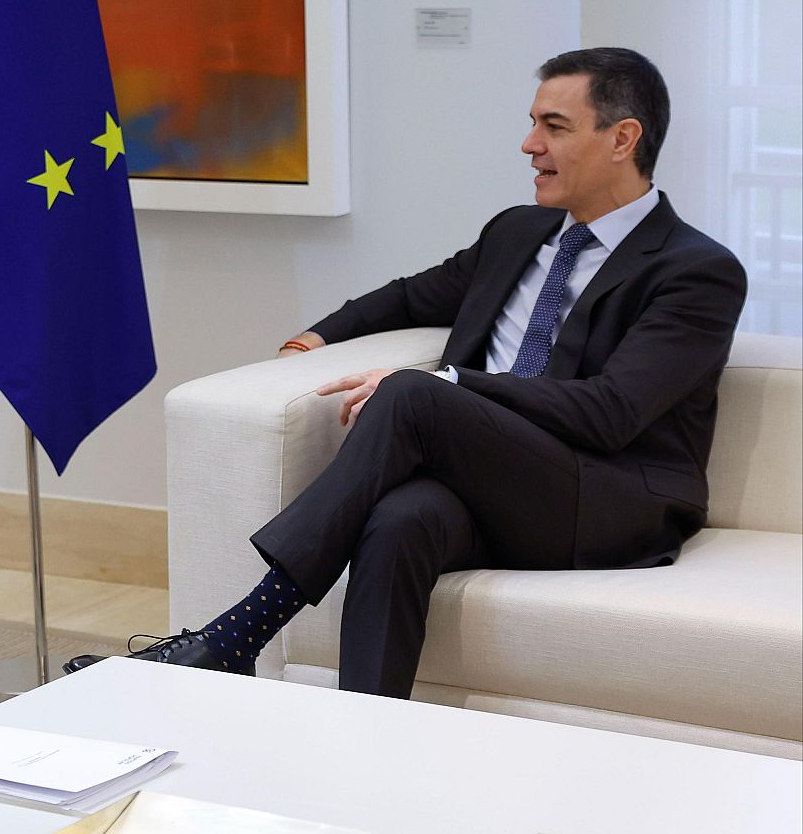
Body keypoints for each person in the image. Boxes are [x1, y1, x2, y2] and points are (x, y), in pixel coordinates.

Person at [65, 47, 747, 698]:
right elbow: (411, 297)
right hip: (502, 481)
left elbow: (611, 412)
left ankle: (236, 634)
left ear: (623, 138)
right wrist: (312, 339)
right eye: (532, 123)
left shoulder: (696, 271)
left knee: (413, 393)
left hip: (608, 498)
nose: (529, 144)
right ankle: (367, 731)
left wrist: (453, 385)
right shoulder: (518, 232)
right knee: (400, 518)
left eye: (554, 126)